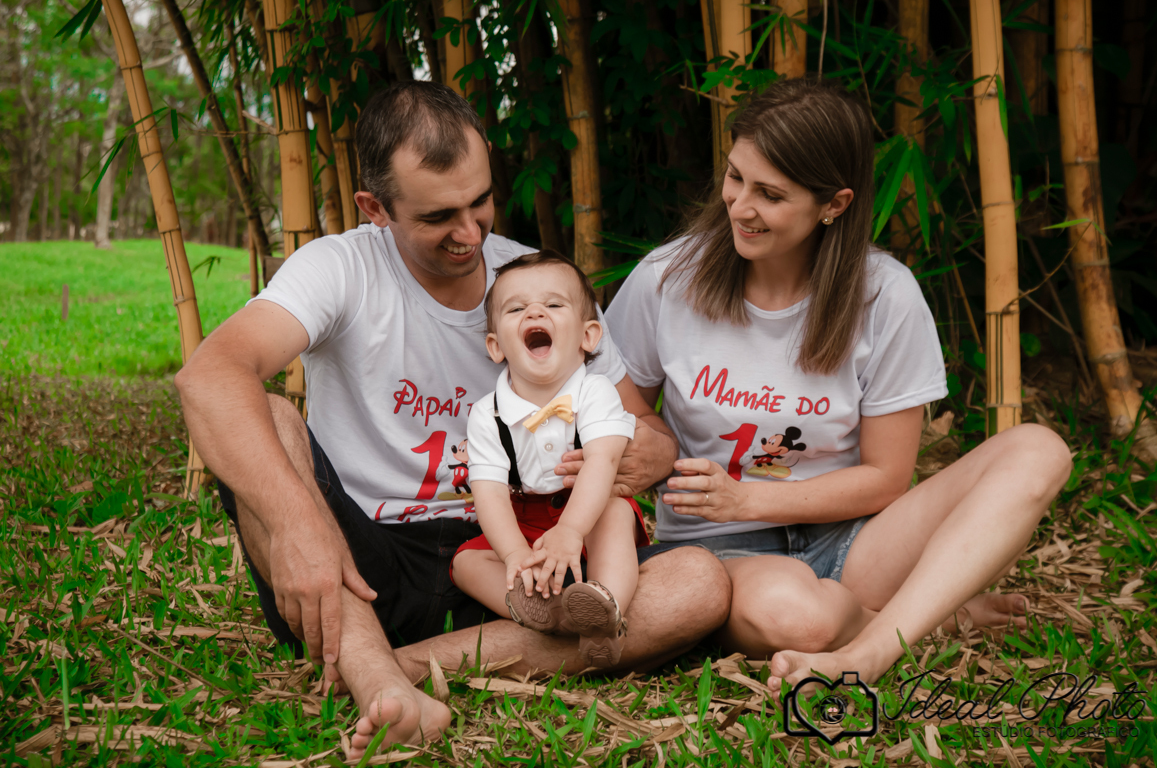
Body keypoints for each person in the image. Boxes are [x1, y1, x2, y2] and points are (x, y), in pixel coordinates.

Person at [174, 81, 731, 761]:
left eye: (480, 202)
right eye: (440, 216)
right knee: (267, 414)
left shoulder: (534, 282)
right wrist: (297, 524)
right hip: (358, 565)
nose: (470, 234)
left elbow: (645, 427)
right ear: (375, 208)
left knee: (698, 583)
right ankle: (374, 660)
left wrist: (641, 451)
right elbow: (208, 375)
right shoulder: (340, 267)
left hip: (514, 563)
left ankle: (395, 668)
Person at [601, 76, 1073, 695]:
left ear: (835, 204)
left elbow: (886, 477)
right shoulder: (668, 279)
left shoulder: (886, 295)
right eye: (735, 176)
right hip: (718, 552)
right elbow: (620, 414)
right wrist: (660, 452)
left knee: (1038, 450)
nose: (740, 206)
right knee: (800, 619)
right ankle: (928, 612)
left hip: (854, 542)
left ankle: (874, 647)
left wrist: (750, 498)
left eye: (770, 194)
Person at [453, 251, 649, 667]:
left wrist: (572, 530)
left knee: (616, 513)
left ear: (588, 336)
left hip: (587, 508)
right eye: (517, 308)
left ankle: (605, 605)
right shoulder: (487, 413)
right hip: (526, 518)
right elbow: (488, 493)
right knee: (466, 562)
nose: (535, 312)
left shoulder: (596, 393)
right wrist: (514, 555)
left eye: (554, 305)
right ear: (495, 346)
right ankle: (541, 609)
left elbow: (603, 462)